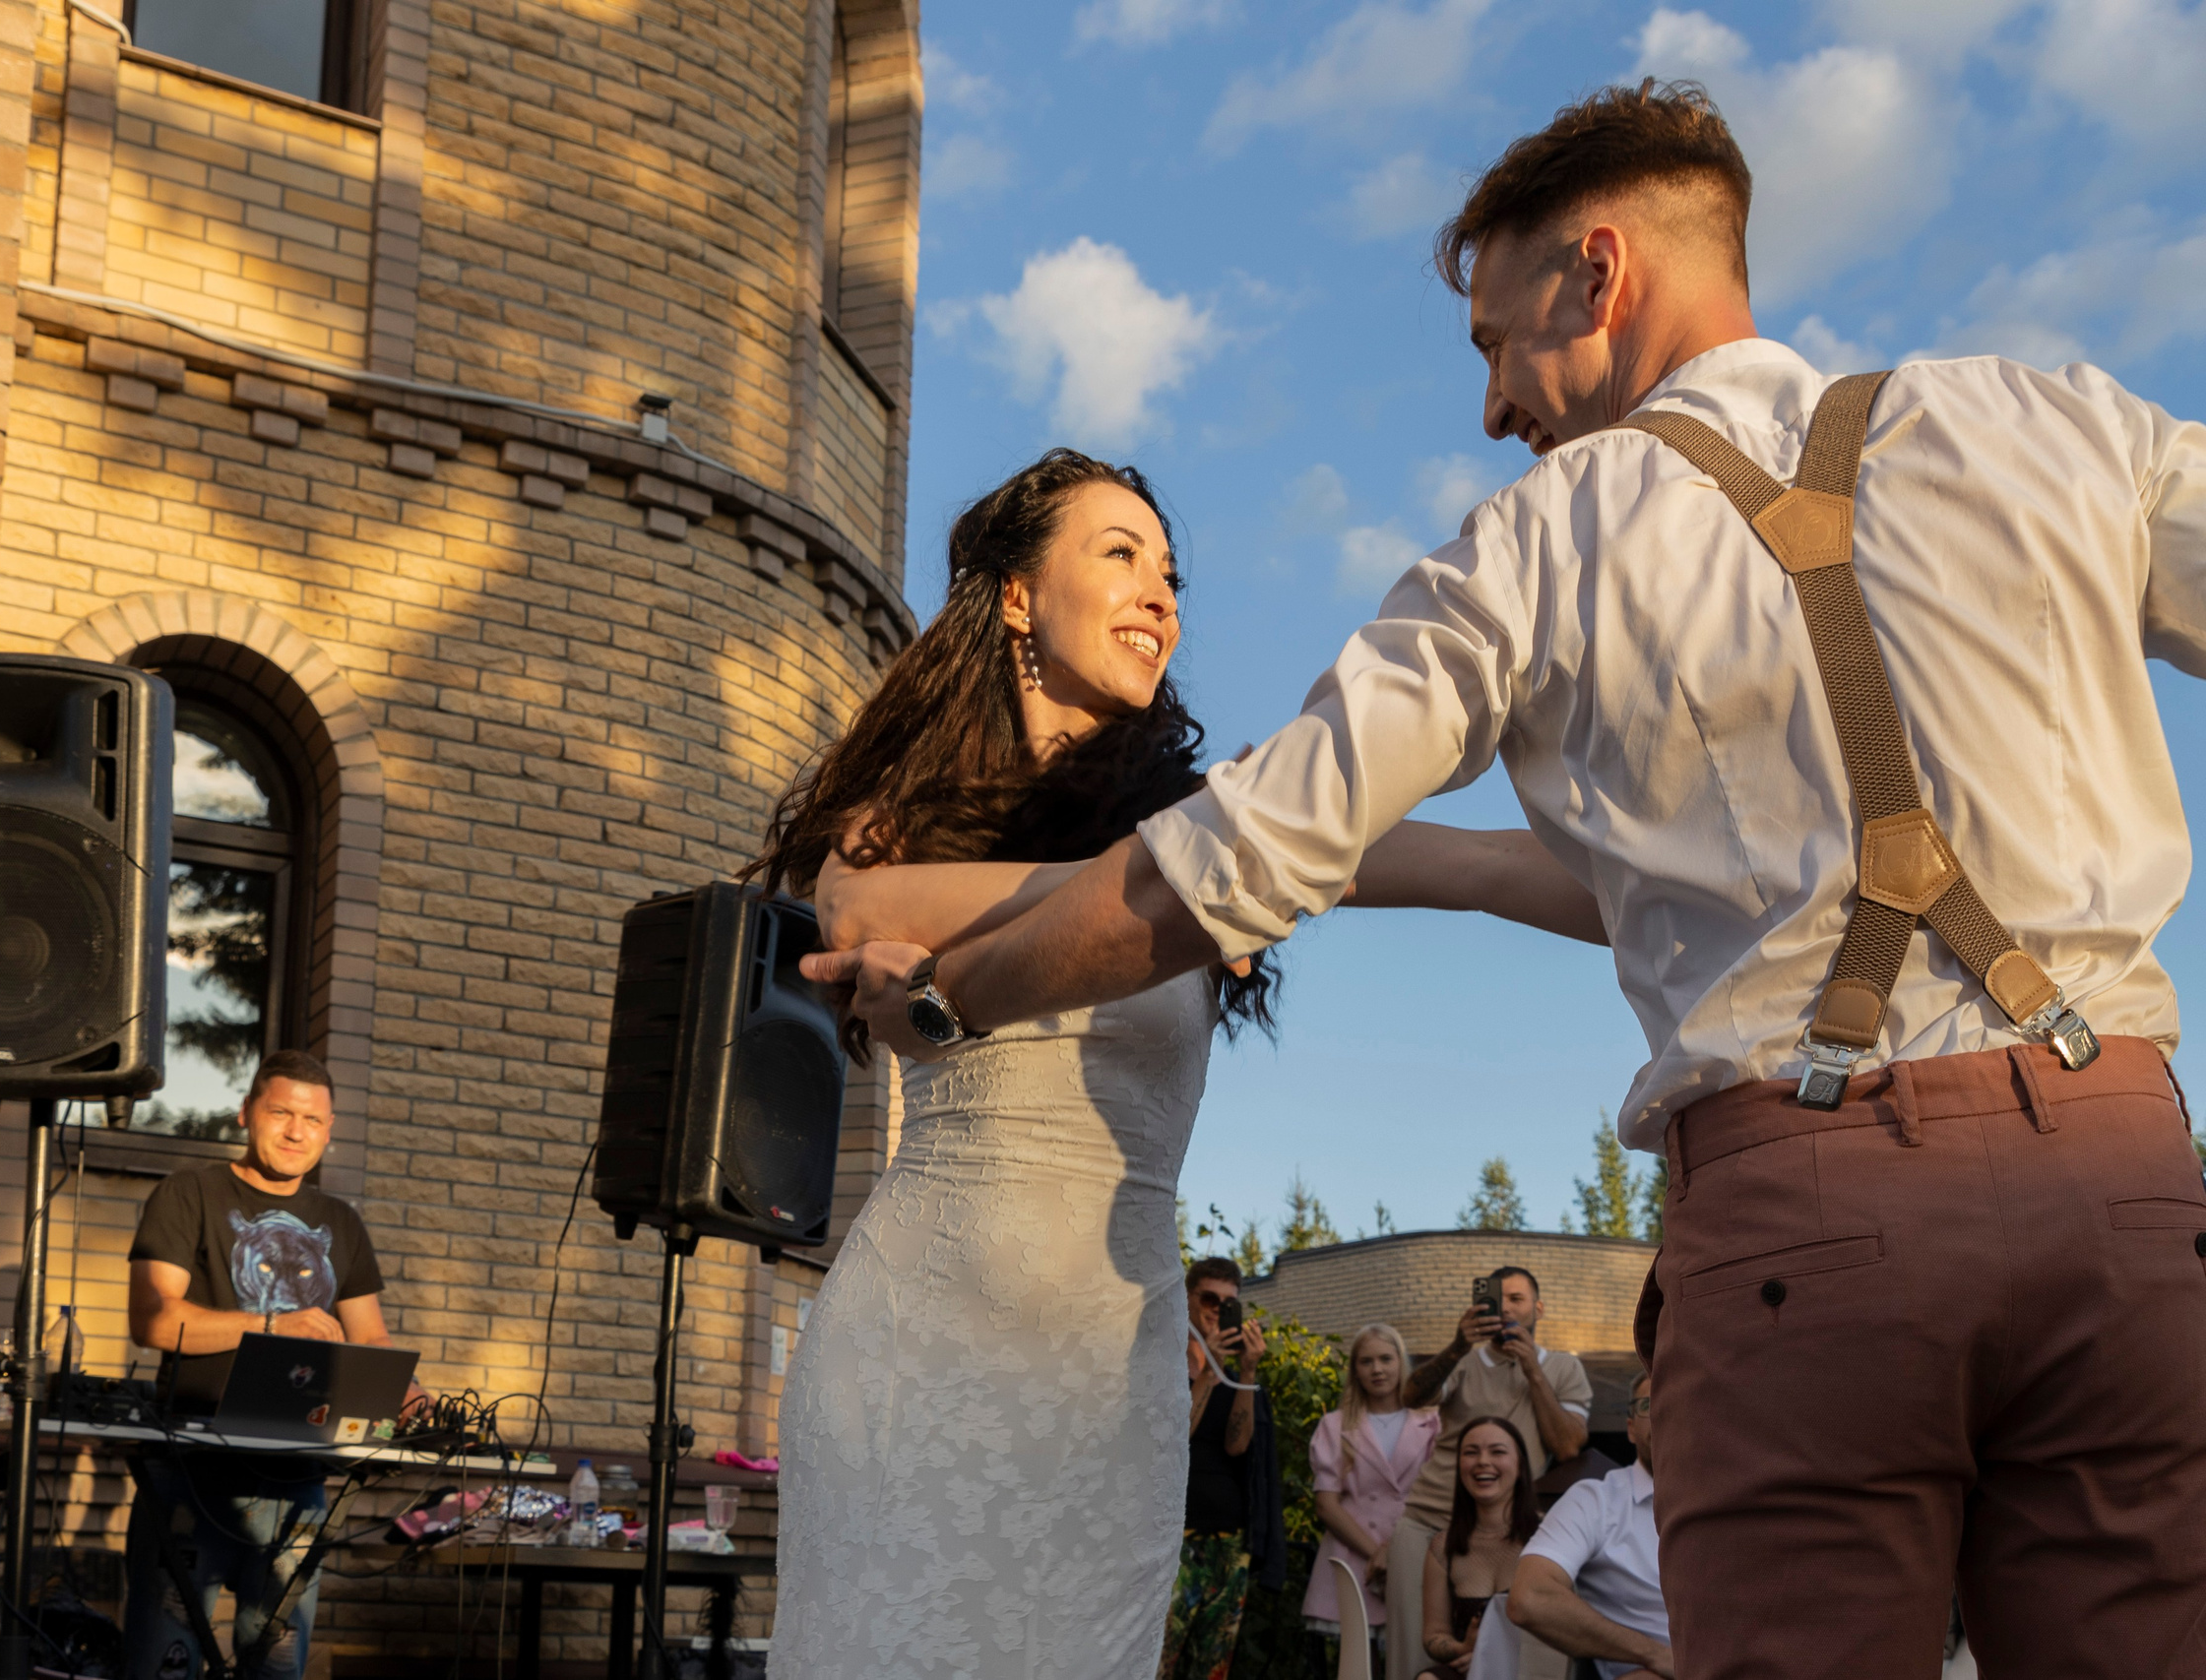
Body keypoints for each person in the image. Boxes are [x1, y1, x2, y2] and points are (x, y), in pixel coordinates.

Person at [806, 78, 2206, 1677]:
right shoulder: (2053, 422)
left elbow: (1249, 856)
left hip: (1812, 1227)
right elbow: (1586, 887)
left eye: (1493, 341)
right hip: (2120, 1189)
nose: (1490, 405)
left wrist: (956, 989)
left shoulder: (1545, 536)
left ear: (1595, 273)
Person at [757, 450, 1574, 1679]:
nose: (1160, 594)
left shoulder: (1228, 828)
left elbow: (1486, 869)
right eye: (1120, 554)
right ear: (1017, 595)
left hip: (1114, 1364)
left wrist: (1736, 879)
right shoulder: (915, 829)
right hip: (921, 1343)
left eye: (1171, 573)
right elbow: (861, 905)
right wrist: (1188, 877)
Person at [121, 1050, 420, 1680]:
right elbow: (153, 1320)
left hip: (297, 1477)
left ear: (329, 1130)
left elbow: (371, 1337)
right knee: (162, 1665)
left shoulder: (341, 1222)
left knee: (277, 1671)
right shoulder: (190, 1193)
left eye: (311, 1120)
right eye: (280, 1112)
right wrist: (273, 1323)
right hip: (191, 1469)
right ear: (246, 1113)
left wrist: (417, 1399)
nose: (294, 1132)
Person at [1384, 1269, 1588, 1680]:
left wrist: (1532, 1370)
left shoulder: (1564, 1368)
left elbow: (1567, 1445)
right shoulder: (1464, 1361)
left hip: (1503, 1529)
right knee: (1411, 1657)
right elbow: (1411, 1397)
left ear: (1538, 1309)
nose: (1506, 1308)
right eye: (1499, 1298)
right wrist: (1458, 1345)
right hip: (1428, 1519)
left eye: (1517, 1299)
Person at [1162, 1257, 1286, 1680]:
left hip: (1228, 1542)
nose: (1217, 1309)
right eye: (1208, 1298)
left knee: (1213, 1667)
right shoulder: (1164, 1367)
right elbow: (1174, 1440)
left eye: (1228, 1302)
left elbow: (1238, 1444)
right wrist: (1209, 1374)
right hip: (1174, 1540)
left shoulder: (1234, 1375)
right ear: (1187, 1299)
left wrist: (1246, 1369)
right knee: (1157, 1660)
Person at [1509, 1373, 1670, 1679]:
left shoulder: (1732, 1503)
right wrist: (1656, 1655)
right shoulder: (1595, 1502)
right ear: (1631, 1428)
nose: (1663, 1412)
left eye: (1676, 1400)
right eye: (1648, 1404)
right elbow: (1531, 1597)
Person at [1302, 1323, 1438, 1667]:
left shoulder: (1433, 1422)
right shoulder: (1334, 1425)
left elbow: (1438, 1497)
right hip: (1354, 1559)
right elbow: (1326, 1505)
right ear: (1355, 1370)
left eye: (1385, 1359)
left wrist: (1394, 1551)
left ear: (1401, 1362)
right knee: (1356, 1667)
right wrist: (1377, 1553)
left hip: (1414, 1556)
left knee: (1412, 1664)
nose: (1377, 1369)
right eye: (1366, 1361)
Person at [1415, 1419, 1540, 1680]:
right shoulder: (1443, 1547)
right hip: (1470, 1669)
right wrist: (1462, 1648)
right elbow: (1434, 1636)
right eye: (1471, 1452)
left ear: (1520, 1466)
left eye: (1497, 1451)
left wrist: (1495, 1654)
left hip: (1532, 1668)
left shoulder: (1549, 1535)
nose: (1483, 1461)